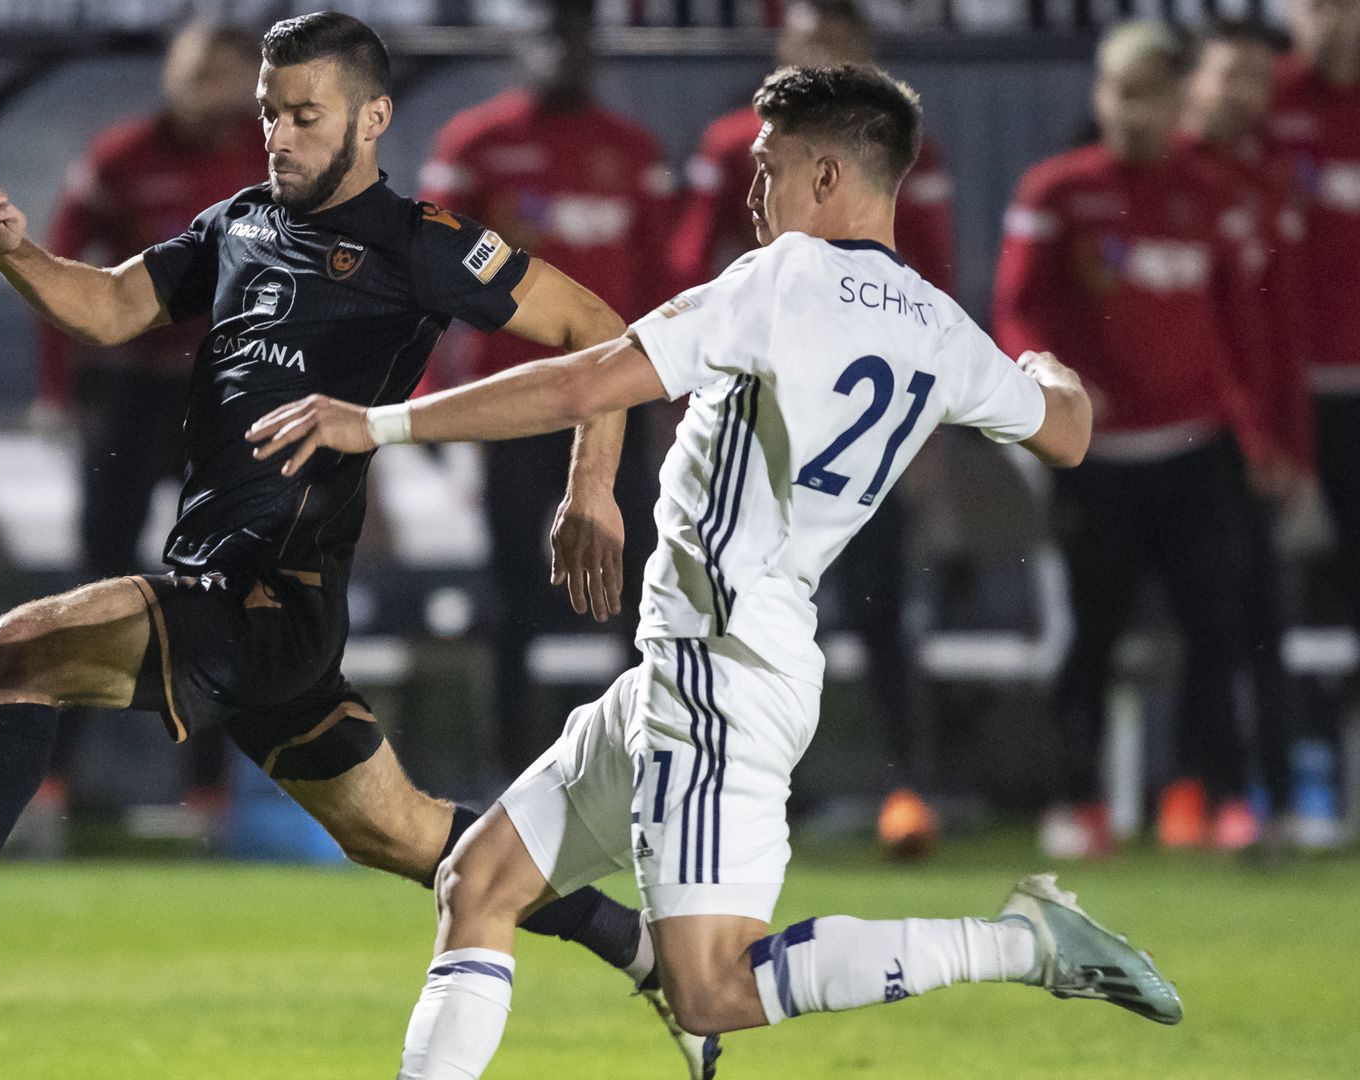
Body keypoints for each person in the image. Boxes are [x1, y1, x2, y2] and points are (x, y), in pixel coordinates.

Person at [0, 15, 705, 1076]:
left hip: (271, 594)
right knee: (407, 837)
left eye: (304, 115)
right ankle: (647, 952)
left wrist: (590, 488)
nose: (278, 134)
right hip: (228, 590)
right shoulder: (237, 224)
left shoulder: (419, 241)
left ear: (372, 119)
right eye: (270, 111)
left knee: (25, 647)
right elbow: (112, 305)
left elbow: (603, 331)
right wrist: (16, 253)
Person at [247, 64, 1175, 1080]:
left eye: (768, 167)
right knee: (479, 882)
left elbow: (586, 382)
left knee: (714, 987)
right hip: (696, 667)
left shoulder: (781, 283)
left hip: (717, 681)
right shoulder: (941, 329)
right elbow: (1070, 433)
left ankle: (1024, 942)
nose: (751, 192)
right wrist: (1044, 369)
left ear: (827, 174)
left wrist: (374, 423)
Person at [671, 0, 955, 852]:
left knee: (876, 609)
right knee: (737, 607)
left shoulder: (909, 157)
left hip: (859, 425)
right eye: (804, 47)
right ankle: (746, 792)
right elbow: (691, 267)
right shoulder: (735, 146)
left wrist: (930, 433)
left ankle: (906, 788)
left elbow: (933, 288)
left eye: (834, 49)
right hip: (758, 420)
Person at [997, 23, 1278, 858]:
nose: (1138, 112)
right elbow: (1016, 310)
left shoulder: (1213, 191)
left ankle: (1207, 797)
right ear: (1100, 96)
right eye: (1125, 93)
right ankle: (1076, 800)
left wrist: (1256, 430)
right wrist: (1058, 383)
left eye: (1155, 95)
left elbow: (1237, 323)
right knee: (1093, 632)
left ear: (1179, 100)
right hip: (1096, 458)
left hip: (1197, 448)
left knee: (1216, 627)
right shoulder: (1056, 191)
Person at [416, 5, 672, 777]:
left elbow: (668, 281)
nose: (564, 56)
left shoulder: (635, 153)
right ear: (522, 48)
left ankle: (631, 760)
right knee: (514, 588)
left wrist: (679, 395)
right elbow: (425, 270)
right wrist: (427, 384)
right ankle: (511, 769)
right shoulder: (477, 146)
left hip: (619, 400)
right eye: (550, 38)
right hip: (516, 398)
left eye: (578, 41)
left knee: (630, 588)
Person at [32, 21, 264, 831]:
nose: (212, 92)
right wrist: (56, 387)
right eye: (198, 74)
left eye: (227, 77)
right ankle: (50, 779)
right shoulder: (119, 157)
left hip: (228, 390)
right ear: (170, 76)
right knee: (98, 574)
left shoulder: (275, 160)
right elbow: (56, 270)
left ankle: (207, 792)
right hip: (129, 387)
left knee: (218, 580)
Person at [1177, 21, 1323, 848]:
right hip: (1199, 436)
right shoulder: (1169, 175)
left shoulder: (1268, 179)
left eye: (1259, 80)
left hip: (1256, 440)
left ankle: (1268, 796)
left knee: (1261, 617)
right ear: (1197, 79)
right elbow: (1203, 333)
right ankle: (1210, 794)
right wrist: (1253, 432)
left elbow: (1280, 332)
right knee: (1216, 622)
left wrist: (1288, 445)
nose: (1246, 94)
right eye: (1230, 74)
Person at [1272, 0, 1360, 839]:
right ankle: (1307, 779)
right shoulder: (1264, 106)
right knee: (1300, 588)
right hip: (1295, 398)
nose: (1330, 20)